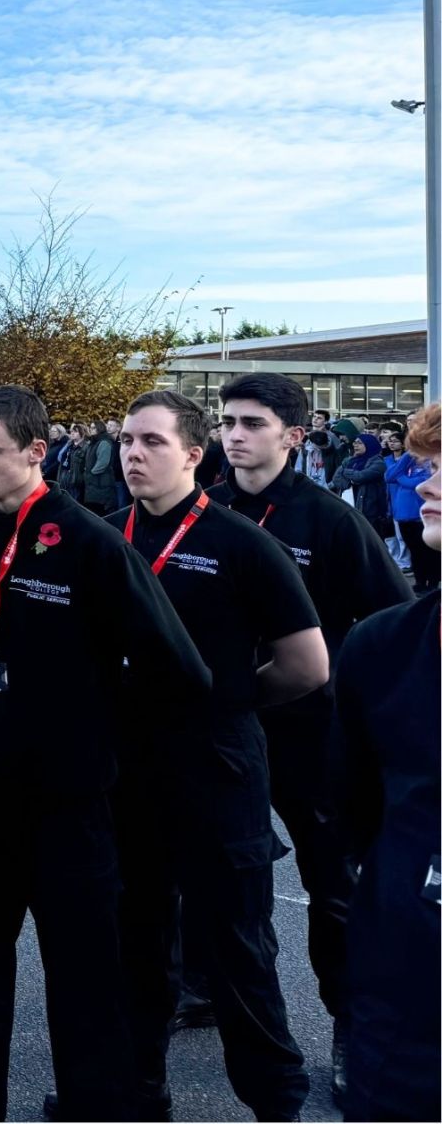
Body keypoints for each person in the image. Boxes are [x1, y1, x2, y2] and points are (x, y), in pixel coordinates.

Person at [0, 385, 209, 1120]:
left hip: (69, 807)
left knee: (85, 984)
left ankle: (96, 1106)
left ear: (35, 452)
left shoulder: (94, 542)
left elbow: (179, 670)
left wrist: (87, 721)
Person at [106, 390, 326, 1121]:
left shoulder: (241, 544)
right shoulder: (104, 538)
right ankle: (137, 1091)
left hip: (218, 767)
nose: (132, 454)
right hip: (128, 772)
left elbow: (307, 664)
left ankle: (276, 1101)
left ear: (194, 456)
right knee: (135, 938)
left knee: (238, 949)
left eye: (152, 442)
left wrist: (228, 701)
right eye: (126, 440)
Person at [205, 377, 414, 1099]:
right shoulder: (205, 508)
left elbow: (396, 622)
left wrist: (356, 706)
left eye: (253, 423)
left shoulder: (328, 521)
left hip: (310, 735)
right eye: (227, 421)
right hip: (221, 731)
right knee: (206, 867)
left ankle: (351, 1020)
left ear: (293, 436)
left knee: (334, 888)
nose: (234, 435)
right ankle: (203, 987)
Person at [335, 402, 440, 1123]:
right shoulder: (384, 644)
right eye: (429, 465)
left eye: (441, 469)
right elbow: (357, 804)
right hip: (402, 994)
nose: (426, 484)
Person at [385, 430, 437, 591]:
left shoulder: (432, 461)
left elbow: (419, 482)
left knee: (429, 551)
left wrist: (401, 478)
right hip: (403, 514)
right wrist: (406, 458)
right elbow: (388, 476)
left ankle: (432, 583)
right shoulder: (408, 460)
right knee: (414, 551)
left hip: (420, 514)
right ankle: (420, 582)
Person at [331, 432, 391, 539]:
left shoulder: (378, 462)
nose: (355, 445)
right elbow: (336, 479)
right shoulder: (349, 460)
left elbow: (361, 476)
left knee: (368, 539)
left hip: (368, 509)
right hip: (348, 504)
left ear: (369, 444)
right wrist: (351, 480)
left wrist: (346, 472)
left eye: (359, 443)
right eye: (354, 443)